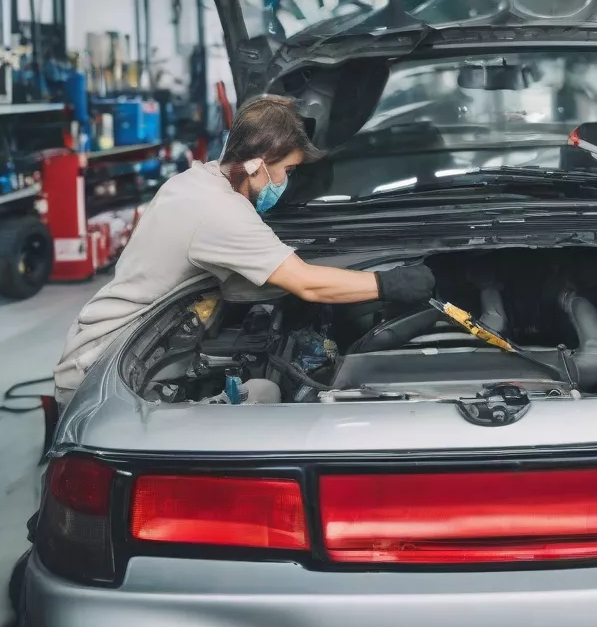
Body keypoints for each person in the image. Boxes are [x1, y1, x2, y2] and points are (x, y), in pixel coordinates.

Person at [54, 94, 434, 405]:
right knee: (266, 394)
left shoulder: (196, 181)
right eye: (287, 169)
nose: (286, 181)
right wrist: (389, 284)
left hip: (116, 347)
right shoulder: (220, 212)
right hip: (107, 376)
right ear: (258, 165)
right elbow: (308, 285)